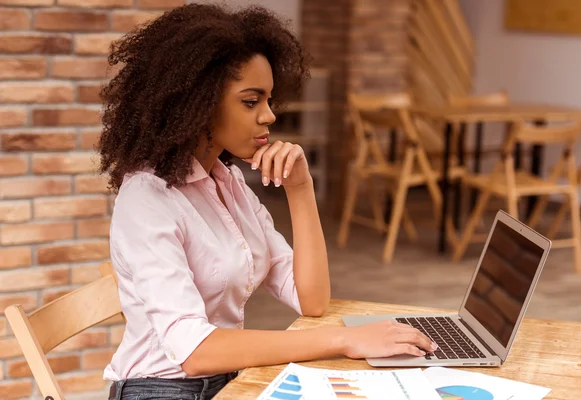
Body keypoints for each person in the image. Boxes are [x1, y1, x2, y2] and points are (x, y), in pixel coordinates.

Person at [97, 4, 436, 400]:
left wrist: (300, 188)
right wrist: (345, 341)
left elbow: (310, 298)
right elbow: (194, 351)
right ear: (197, 102)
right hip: (162, 390)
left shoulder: (230, 183)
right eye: (250, 101)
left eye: (269, 100)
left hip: (229, 380)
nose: (269, 115)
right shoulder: (147, 197)